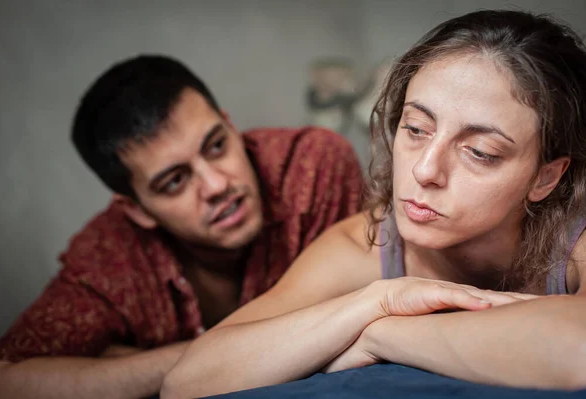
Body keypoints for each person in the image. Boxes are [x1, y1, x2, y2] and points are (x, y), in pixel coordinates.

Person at [161, 9, 586, 398]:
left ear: (546, 176)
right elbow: (189, 380)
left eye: (479, 152)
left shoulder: (576, 240)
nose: (424, 170)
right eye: (416, 128)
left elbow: (575, 350)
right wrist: (378, 302)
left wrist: (379, 335)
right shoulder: (364, 244)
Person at [0, 55, 365, 398]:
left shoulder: (312, 167)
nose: (217, 186)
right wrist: (208, 358)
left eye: (216, 145)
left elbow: (361, 315)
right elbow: (3, 381)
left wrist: (119, 364)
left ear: (230, 125)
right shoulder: (110, 251)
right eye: (174, 181)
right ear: (136, 210)